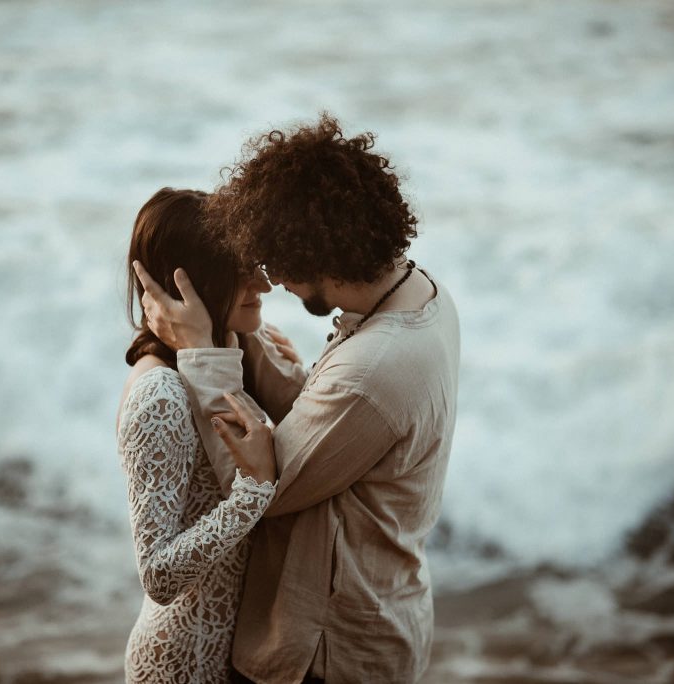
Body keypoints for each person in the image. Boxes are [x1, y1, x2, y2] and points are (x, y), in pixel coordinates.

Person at [133, 115, 460, 683]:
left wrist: (201, 348)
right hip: (387, 609)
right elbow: (321, 419)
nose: (271, 281)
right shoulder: (418, 294)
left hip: (327, 652)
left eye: (273, 261)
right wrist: (239, 327)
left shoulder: (371, 373)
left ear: (312, 252)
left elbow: (260, 483)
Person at [115, 187, 283, 684]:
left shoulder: (231, 349)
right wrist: (254, 492)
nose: (263, 285)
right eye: (240, 271)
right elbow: (158, 575)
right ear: (186, 285)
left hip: (234, 658)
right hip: (180, 665)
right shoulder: (161, 394)